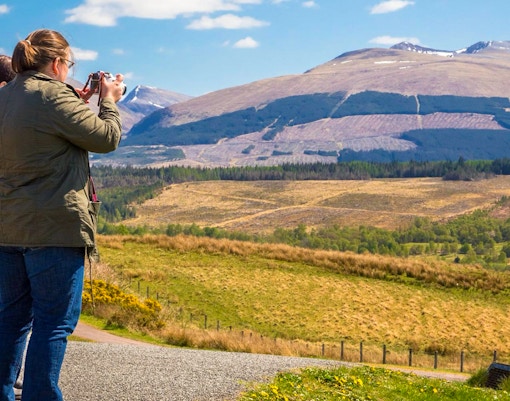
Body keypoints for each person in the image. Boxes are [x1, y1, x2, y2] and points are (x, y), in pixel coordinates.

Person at [0, 29, 124, 401]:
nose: (70, 72)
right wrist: (110, 100)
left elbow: (40, 134)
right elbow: (106, 138)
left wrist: (76, 102)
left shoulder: (6, 96)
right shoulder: (53, 94)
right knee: (54, 324)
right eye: (69, 65)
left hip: (7, 227)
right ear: (57, 63)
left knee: (11, 321)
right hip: (54, 228)